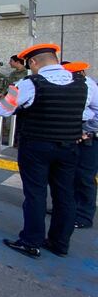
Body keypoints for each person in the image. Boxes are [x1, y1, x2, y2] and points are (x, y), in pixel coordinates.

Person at [0, 44, 98, 258]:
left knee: (35, 194)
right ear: (54, 58)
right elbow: (95, 112)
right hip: (69, 146)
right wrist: (86, 130)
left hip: (36, 146)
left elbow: (3, 110)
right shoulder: (84, 82)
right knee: (65, 195)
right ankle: (60, 244)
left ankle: (31, 242)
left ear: (33, 62)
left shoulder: (27, 83)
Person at [63, 61, 98, 230]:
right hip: (80, 136)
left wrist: (84, 132)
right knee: (72, 174)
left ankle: (84, 215)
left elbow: (83, 112)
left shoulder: (86, 86)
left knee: (85, 176)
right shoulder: (77, 84)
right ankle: (69, 208)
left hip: (90, 138)